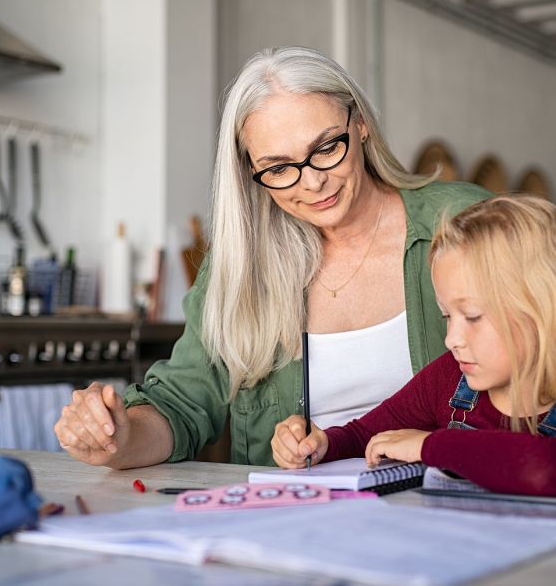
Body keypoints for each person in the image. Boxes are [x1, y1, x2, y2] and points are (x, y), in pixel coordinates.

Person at [55, 46, 489, 468]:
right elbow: (182, 403)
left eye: (324, 148)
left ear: (359, 124)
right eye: (279, 168)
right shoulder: (243, 264)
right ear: (252, 174)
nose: (313, 182)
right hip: (294, 520)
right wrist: (122, 437)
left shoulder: (465, 222)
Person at [272, 195, 556, 496]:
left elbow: (543, 468)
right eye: (447, 315)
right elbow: (364, 435)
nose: (451, 339)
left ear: (542, 309)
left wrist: (428, 445)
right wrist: (320, 444)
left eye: (472, 316)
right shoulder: (447, 378)